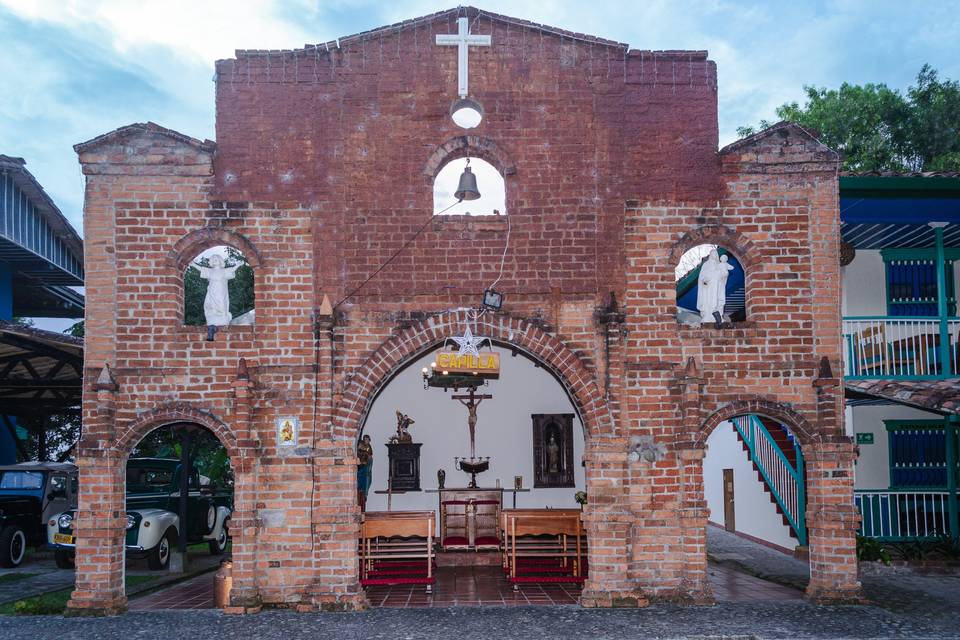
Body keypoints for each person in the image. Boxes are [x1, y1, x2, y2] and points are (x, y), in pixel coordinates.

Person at [197, 254, 239, 326]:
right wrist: (193, 265)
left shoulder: (224, 271)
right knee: (211, 303)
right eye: (213, 260)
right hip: (212, 291)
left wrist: (238, 265)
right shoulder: (210, 271)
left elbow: (232, 269)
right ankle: (214, 314)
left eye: (216, 259)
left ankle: (223, 315)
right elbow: (202, 269)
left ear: (220, 261)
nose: (215, 261)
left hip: (221, 291)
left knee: (221, 302)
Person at [696, 249, 734, 326]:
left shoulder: (719, 264)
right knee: (709, 300)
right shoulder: (706, 264)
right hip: (709, 287)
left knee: (717, 300)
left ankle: (718, 315)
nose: (714, 255)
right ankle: (708, 315)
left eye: (715, 253)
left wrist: (724, 274)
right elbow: (702, 276)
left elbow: (724, 274)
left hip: (717, 286)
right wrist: (705, 279)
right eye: (712, 253)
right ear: (710, 255)